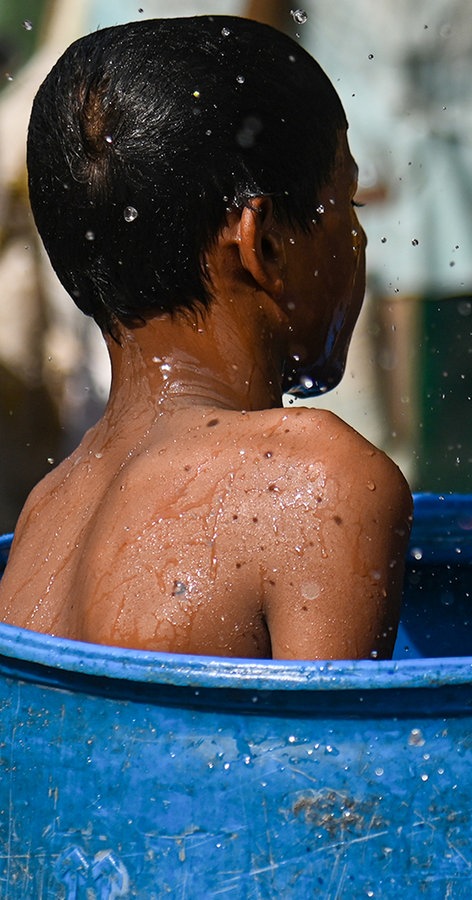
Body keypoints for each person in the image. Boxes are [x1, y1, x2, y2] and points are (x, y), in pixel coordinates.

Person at [0, 15, 412, 660]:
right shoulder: (314, 479)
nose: (358, 242)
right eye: (347, 207)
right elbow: (327, 761)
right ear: (263, 244)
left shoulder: (45, 511)